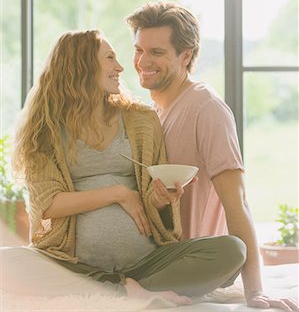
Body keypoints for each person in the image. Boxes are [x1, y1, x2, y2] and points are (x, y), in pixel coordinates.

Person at [3, 29, 246, 304]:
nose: (120, 67)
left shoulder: (141, 120)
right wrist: (118, 193)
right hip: (72, 263)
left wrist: (160, 199)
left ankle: (122, 289)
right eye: (109, 58)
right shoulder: (45, 130)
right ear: (81, 65)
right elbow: (47, 204)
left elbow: (154, 202)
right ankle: (125, 291)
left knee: (232, 251)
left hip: (145, 262)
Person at [126, 0, 299, 312]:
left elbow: (237, 202)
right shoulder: (150, 114)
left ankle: (123, 287)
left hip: (189, 260)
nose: (142, 61)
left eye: (157, 52)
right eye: (139, 49)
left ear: (186, 55)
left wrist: (255, 292)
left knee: (232, 251)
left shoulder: (207, 109)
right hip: (148, 255)